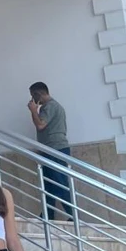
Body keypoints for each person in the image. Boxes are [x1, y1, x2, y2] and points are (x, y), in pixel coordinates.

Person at [29, 82, 74, 220]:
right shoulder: (53, 106)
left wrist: (33, 110)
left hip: (55, 149)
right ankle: (47, 215)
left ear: (38, 94)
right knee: (49, 185)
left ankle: (73, 215)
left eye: (33, 96)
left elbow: (40, 125)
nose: (33, 100)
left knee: (59, 184)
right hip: (51, 149)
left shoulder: (50, 106)